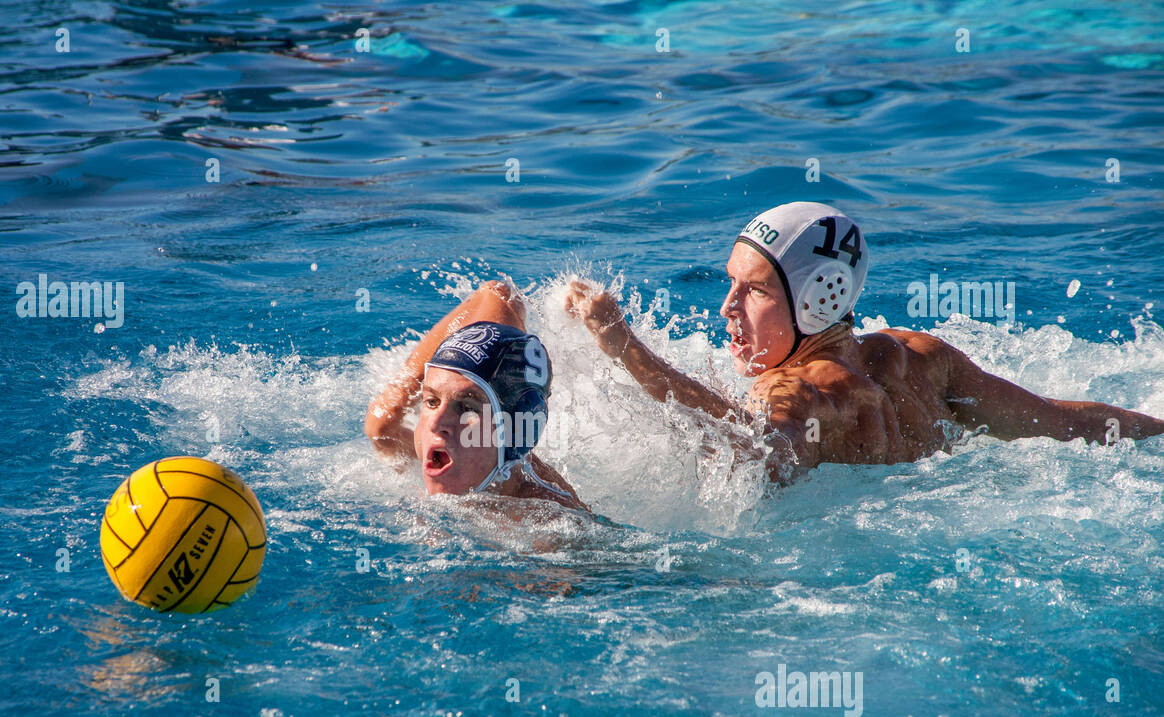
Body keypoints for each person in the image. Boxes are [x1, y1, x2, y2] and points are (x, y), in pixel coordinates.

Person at [566, 201, 1164, 481]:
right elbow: (1058, 424)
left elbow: (743, 460)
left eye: (751, 291)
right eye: (730, 284)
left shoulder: (800, 396)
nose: (726, 307)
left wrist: (628, 351)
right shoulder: (920, 358)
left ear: (819, 298)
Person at [365, 279, 588, 510]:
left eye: (468, 408)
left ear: (516, 431)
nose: (435, 424)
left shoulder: (550, 516)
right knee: (381, 424)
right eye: (431, 401)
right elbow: (496, 294)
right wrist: (409, 383)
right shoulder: (442, 449)